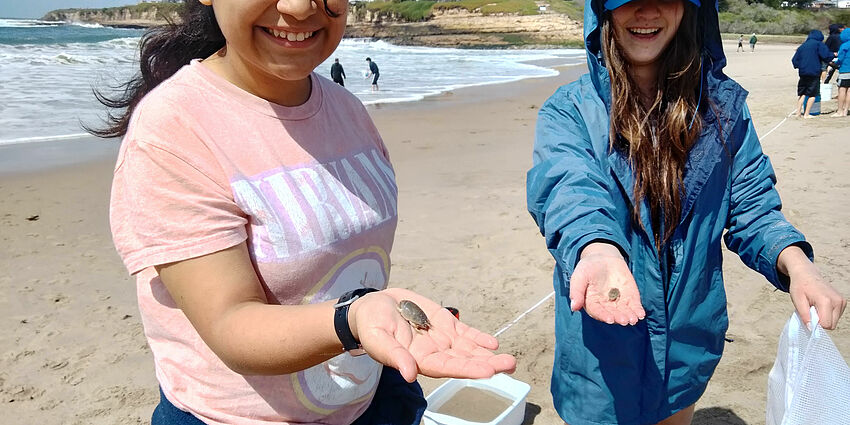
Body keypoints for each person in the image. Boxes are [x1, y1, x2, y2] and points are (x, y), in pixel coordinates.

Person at [89, 1, 516, 424]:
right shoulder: (172, 132)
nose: (297, 7)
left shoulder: (348, 110)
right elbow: (229, 323)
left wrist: (372, 313)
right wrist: (354, 318)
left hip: (373, 396)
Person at [526, 0, 847, 423]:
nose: (645, 12)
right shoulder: (569, 110)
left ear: (690, 8)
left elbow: (751, 203)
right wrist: (597, 247)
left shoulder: (724, 109)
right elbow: (569, 187)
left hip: (687, 348)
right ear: (603, 11)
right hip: (599, 359)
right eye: (628, 0)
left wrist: (797, 263)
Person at [792, 30, 833, 118]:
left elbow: (794, 60)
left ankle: (798, 113)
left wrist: (800, 66)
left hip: (803, 73)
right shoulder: (819, 44)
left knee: (802, 93)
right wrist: (833, 56)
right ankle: (806, 114)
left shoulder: (802, 46)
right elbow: (826, 56)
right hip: (814, 72)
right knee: (812, 94)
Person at [832, 28, 850, 116]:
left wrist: (834, 62)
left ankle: (840, 111)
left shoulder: (845, 45)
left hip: (845, 70)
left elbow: (840, 59)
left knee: (842, 90)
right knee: (849, 91)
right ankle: (846, 110)